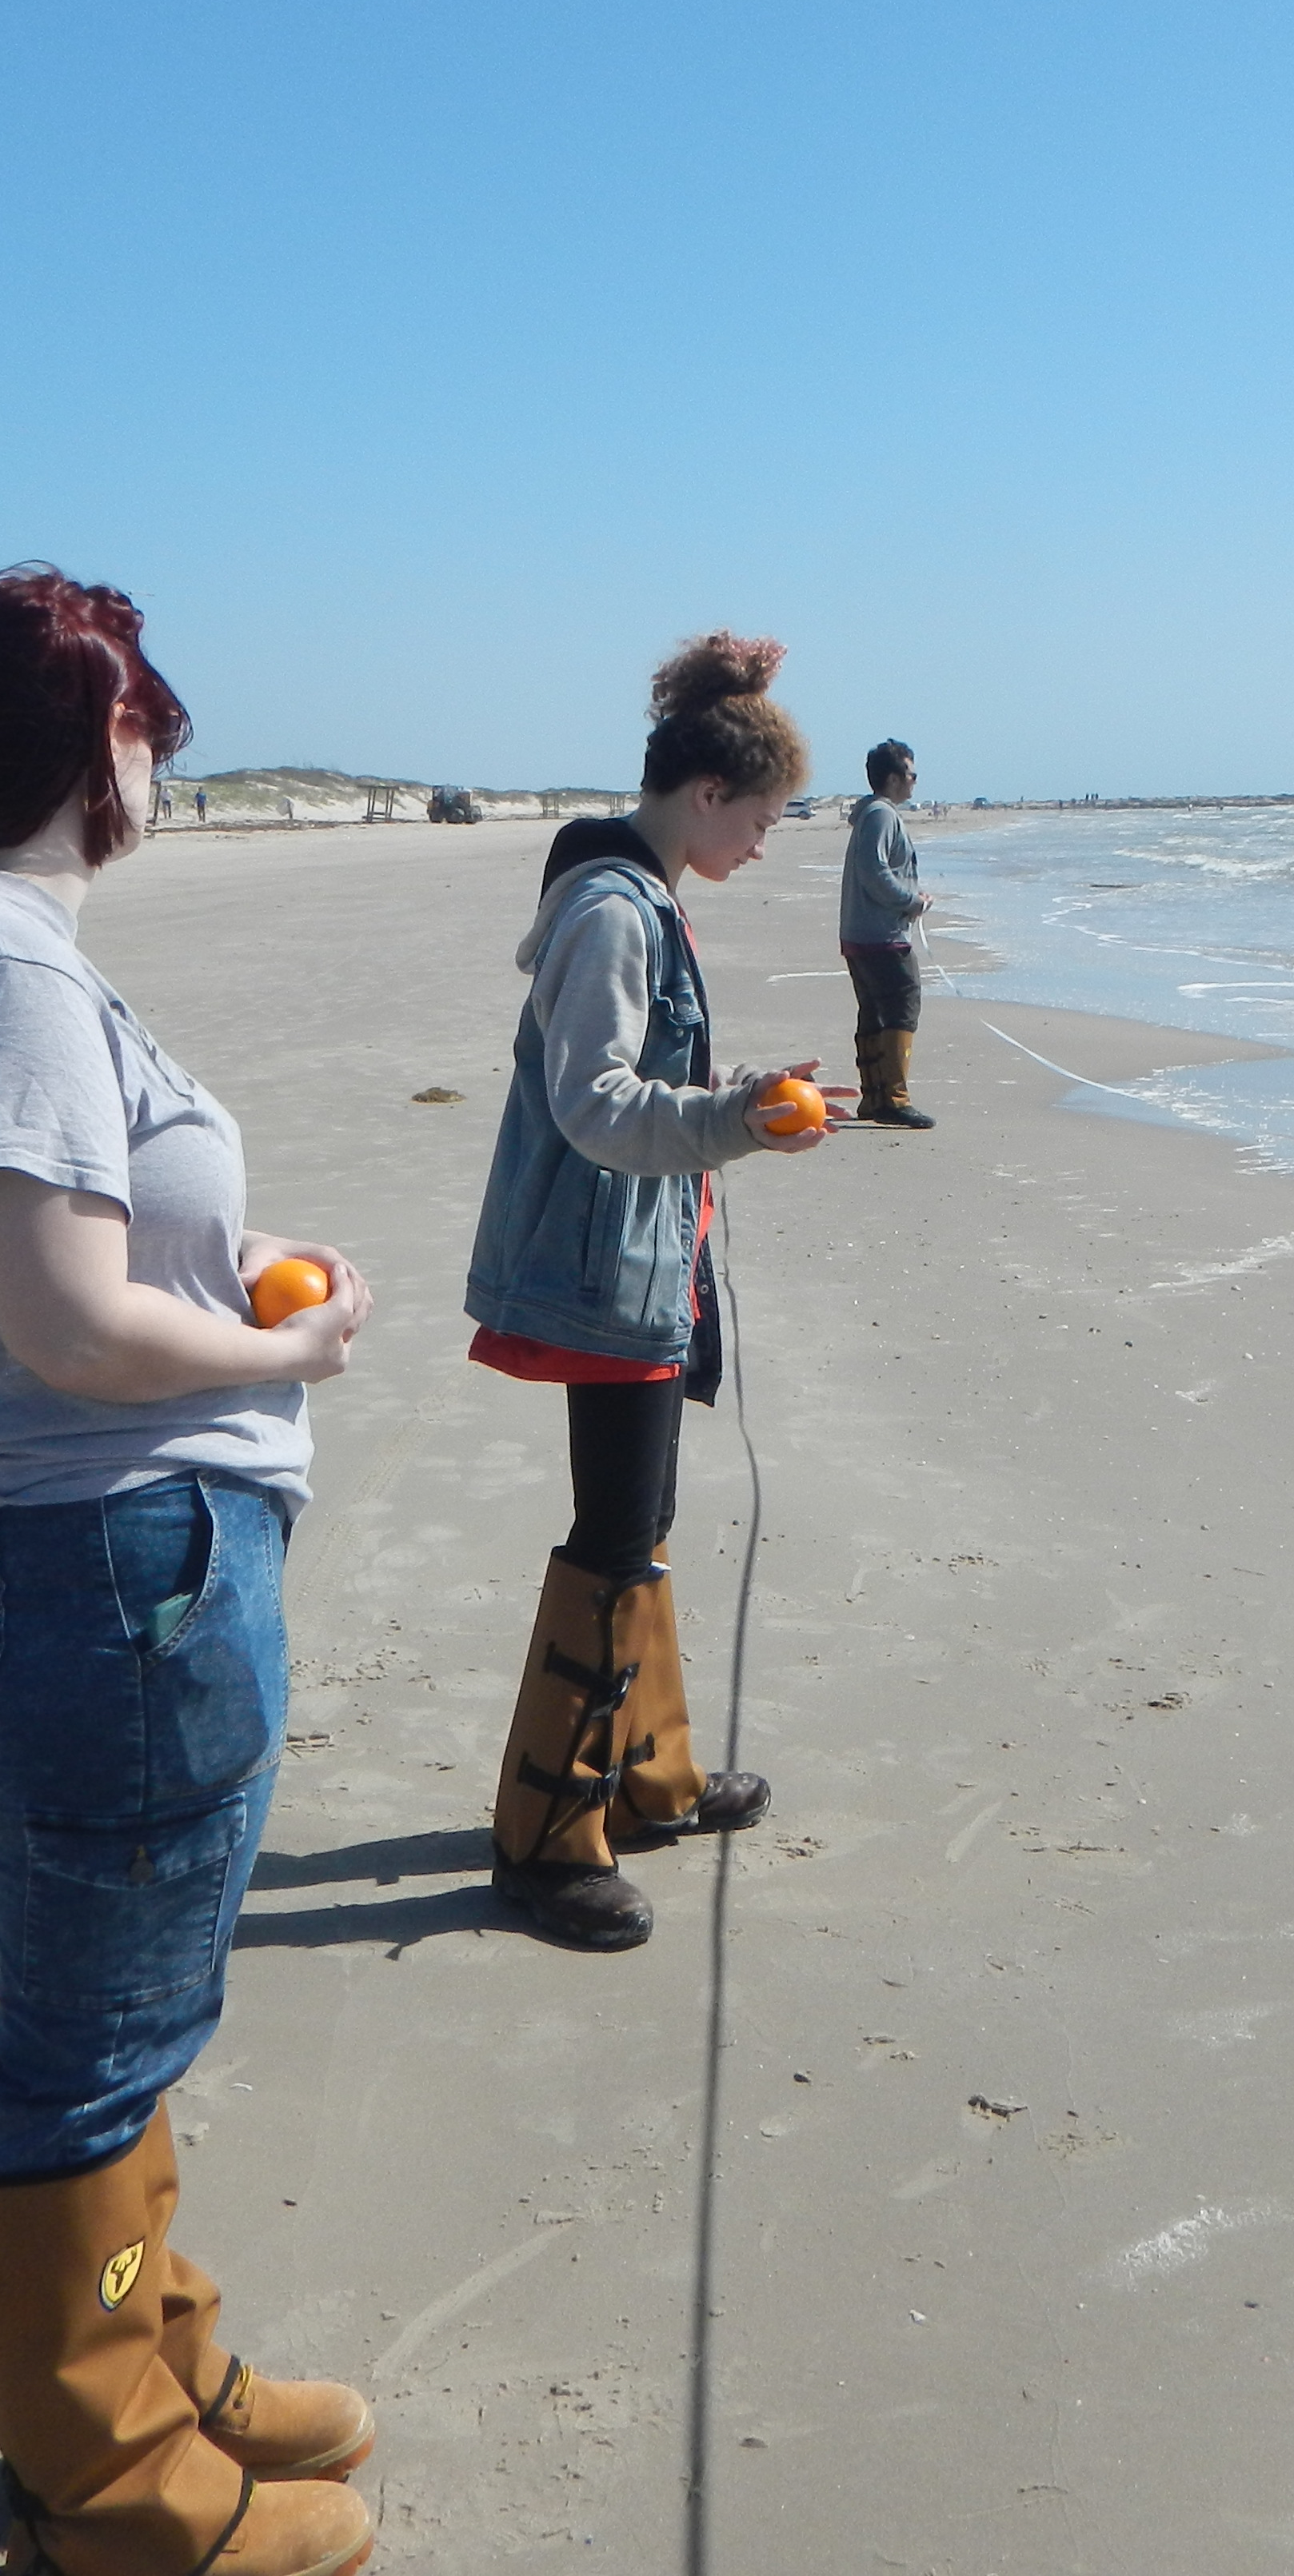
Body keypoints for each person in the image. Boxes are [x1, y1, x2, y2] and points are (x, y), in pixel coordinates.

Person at [0, 566, 378, 2576]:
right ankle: (106, 2465)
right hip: (105, 1555)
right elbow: (62, 1319)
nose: (160, 769)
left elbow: (62, 1277)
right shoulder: (8, 970)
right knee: (99, 2025)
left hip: (50, 1545)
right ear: (100, 741)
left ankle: (146, 2355)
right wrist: (285, 1346)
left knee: (114, 2001)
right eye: (152, 733)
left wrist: (216, 1291)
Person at [462, 633, 841, 1951]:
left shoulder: (640, 890)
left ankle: (647, 1775)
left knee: (645, 1513)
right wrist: (739, 1116)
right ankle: (542, 1837)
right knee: (613, 1527)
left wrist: (736, 1109)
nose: (767, 844)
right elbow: (595, 1103)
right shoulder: (614, 909)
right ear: (706, 795)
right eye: (767, 819)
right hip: (599, 1260)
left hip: (646, 1253)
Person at [841, 741, 935, 1127]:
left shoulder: (875, 814)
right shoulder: (881, 815)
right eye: (911, 774)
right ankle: (892, 1099)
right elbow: (874, 872)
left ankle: (876, 1098)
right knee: (901, 1007)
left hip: (864, 934)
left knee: (876, 1013)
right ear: (894, 778)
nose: (915, 782)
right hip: (880, 936)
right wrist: (912, 901)